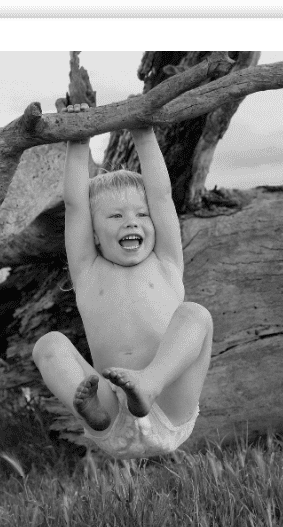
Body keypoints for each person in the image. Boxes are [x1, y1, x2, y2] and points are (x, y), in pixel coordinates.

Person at [32, 110, 213, 460]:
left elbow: (161, 197)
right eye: (116, 216)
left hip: (169, 406)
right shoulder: (88, 271)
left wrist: (143, 134)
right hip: (110, 414)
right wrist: (78, 141)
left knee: (196, 315)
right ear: (95, 235)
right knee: (48, 344)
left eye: (141, 215)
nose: (132, 222)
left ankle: (150, 383)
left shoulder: (166, 262)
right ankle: (88, 411)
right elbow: (74, 207)